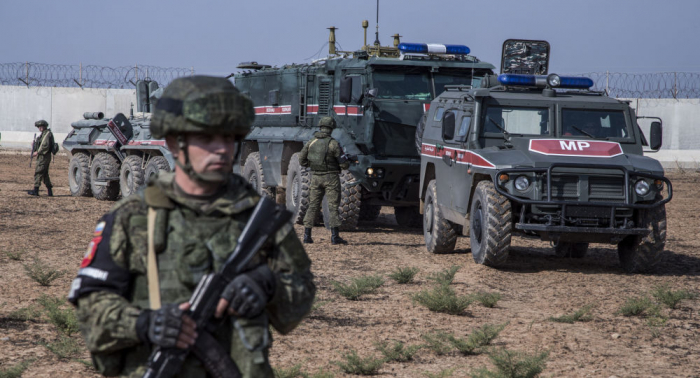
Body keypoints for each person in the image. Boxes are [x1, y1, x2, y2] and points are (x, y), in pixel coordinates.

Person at [67, 76, 316, 378]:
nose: (222, 149)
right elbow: (91, 308)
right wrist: (143, 324)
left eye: (229, 138)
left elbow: (299, 298)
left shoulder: (260, 218)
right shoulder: (132, 218)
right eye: (207, 138)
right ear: (174, 142)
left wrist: (266, 285)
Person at [299, 117, 349, 245]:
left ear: (320, 127)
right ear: (331, 128)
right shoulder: (333, 143)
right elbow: (344, 165)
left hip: (315, 177)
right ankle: (334, 237)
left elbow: (302, 160)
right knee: (332, 206)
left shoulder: (311, 142)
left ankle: (307, 236)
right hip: (331, 178)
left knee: (313, 206)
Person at [28, 120, 54, 196]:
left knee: (38, 172)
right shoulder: (43, 134)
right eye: (39, 127)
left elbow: (44, 145)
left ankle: (36, 190)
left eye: (40, 127)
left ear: (44, 126)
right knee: (45, 174)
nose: (39, 128)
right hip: (43, 156)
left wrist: (37, 152)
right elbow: (40, 144)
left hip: (44, 156)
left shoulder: (47, 134)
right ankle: (49, 191)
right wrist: (34, 145)